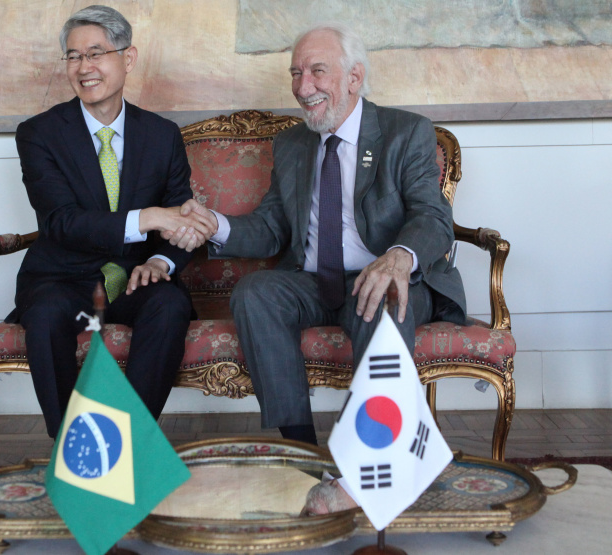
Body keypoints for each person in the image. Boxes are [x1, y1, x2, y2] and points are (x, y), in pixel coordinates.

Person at [168, 23, 466, 445]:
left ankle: (376, 457)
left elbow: (432, 215)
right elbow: (271, 227)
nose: (303, 86)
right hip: (311, 283)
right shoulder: (293, 143)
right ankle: (299, 447)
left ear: (354, 78)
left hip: (381, 277)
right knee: (254, 293)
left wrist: (399, 255)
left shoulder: (405, 132)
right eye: (295, 73)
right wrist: (215, 224)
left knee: (381, 295)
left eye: (317, 71)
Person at [8, 5, 215, 437]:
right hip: (61, 280)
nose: (84, 68)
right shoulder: (38, 134)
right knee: (45, 314)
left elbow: (181, 222)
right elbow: (61, 222)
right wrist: (148, 217)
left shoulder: (162, 135)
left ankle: (128, 441)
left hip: (133, 278)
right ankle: (72, 446)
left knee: (170, 303)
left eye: (96, 53)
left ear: (128, 58)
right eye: (73, 56)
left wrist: (161, 262)